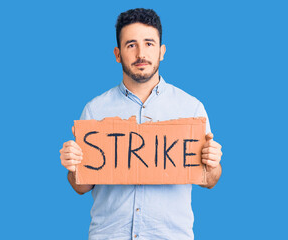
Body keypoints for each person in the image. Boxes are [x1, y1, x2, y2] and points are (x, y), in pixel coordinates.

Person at [60, 8, 222, 240]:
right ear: (117, 54)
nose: (141, 53)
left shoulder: (191, 108)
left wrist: (212, 163)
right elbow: (81, 187)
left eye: (148, 43)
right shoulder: (95, 110)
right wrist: (74, 167)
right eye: (131, 45)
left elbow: (210, 180)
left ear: (161, 51)